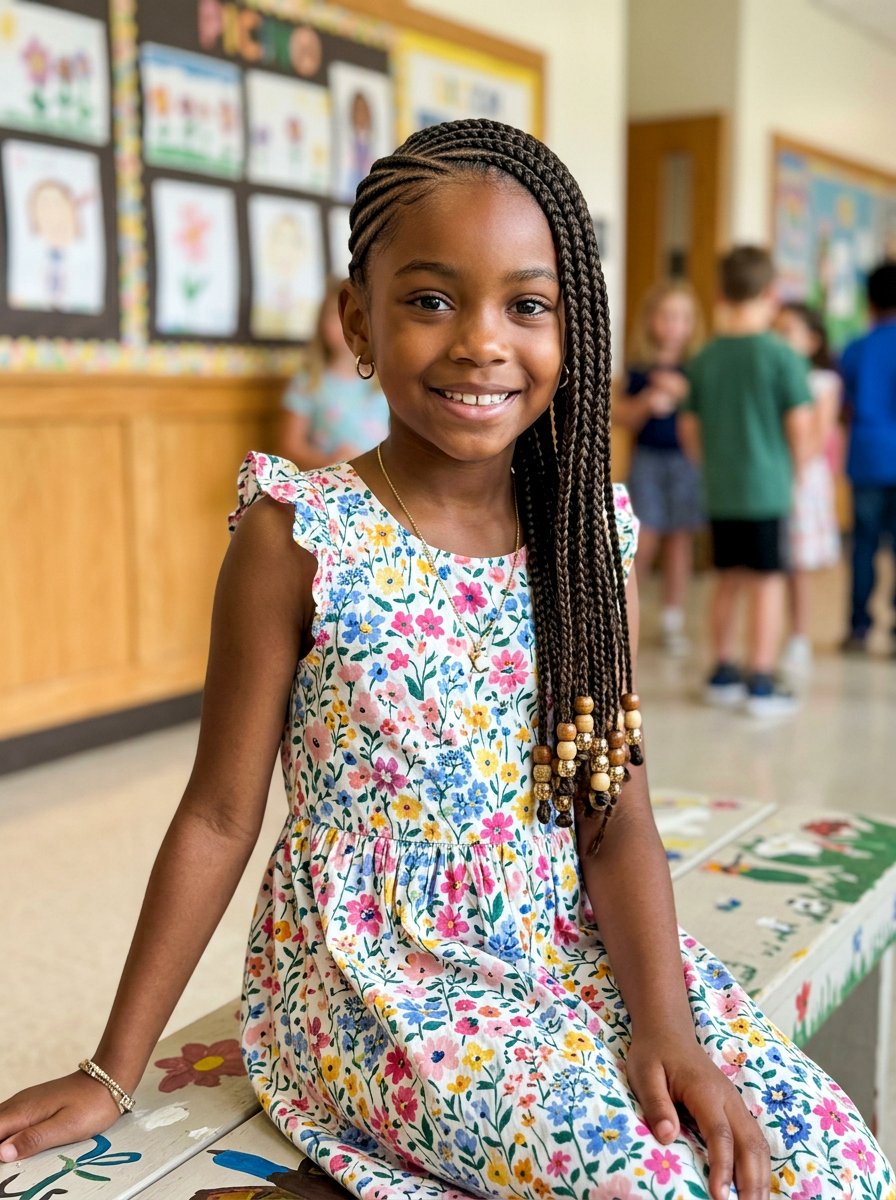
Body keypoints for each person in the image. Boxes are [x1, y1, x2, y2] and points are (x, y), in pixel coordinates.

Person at [1, 122, 891, 1200]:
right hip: (377, 980)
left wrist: (665, 1027)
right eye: (430, 299)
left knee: (828, 1159)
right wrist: (111, 1069)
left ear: (571, 329)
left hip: (565, 939)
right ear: (357, 321)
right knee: (650, 1180)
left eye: (527, 306)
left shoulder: (584, 539)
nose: (481, 342)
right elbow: (220, 816)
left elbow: (612, 813)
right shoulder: (298, 535)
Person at [679, 246, 813, 717]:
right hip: (767, 489)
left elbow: (689, 428)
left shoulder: (705, 358)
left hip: (721, 489)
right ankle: (760, 679)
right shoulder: (782, 356)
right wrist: (797, 470)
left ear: (720, 293)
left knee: (727, 580)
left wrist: (710, 464)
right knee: (767, 583)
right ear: (772, 294)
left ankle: (722, 672)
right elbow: (800, 426)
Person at [616, 281, 704, 654]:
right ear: (651, 321)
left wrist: (683, 392)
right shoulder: (639, 370)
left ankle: (672, 618)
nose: (673, 325)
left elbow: (708, 414)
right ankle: (624, 615)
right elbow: (622, 417)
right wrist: (646, 402)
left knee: (680, 540)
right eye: (666, 316)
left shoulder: (696, 371)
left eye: (682, 317)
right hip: (647, 463)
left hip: (686, 462)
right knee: (643, 537)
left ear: (692, 324)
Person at [773, 303, 842, 673]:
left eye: (788, 332)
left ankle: (798, 638)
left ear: (813, 341)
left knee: (797, 564)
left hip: (802, 480)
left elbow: (818, 436)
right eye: (775, 330)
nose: (778, 339)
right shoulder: (771, 374)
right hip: (772, 474)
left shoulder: (823, 382)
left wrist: (792, 474)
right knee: (771, 563)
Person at [839, 260, 896, 654]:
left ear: (869, 301)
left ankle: (858, 627)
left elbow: (843, 407)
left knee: (863, 545)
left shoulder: (855, 348)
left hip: (867, 457)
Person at [279, 276, 390, 469]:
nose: (346, 324)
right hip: (329, 480)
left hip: (379, 479)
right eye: (335, 315)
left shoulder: (384, 379)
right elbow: (290, 447)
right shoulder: (308, 382)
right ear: (321, 324)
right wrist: (331, 463)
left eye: (357, 314)